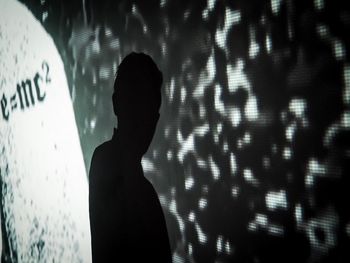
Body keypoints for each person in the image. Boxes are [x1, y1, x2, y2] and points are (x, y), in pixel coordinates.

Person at [89, 52, 172, 262]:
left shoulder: (145, 190)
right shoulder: (105, 161)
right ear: (117, 103)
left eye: (150, 109)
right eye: (136, 101)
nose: (143, 118)